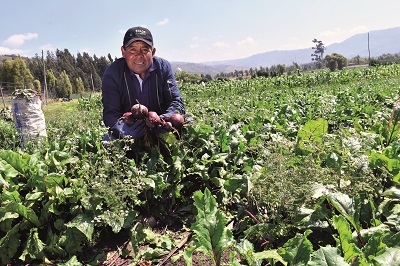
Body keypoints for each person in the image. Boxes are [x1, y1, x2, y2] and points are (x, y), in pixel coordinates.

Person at [101, 26, 186, 140]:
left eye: (145, 50)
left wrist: (163, 120)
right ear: (123, 52)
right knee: (107, 142)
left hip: (161, 127)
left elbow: (176, 101)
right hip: (129, 129)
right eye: (132, 49)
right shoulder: (113, 73)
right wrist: (121, 128)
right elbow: (110, 113)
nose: (139, 55)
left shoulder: (164, 67)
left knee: (187, 129)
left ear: (153, 52)